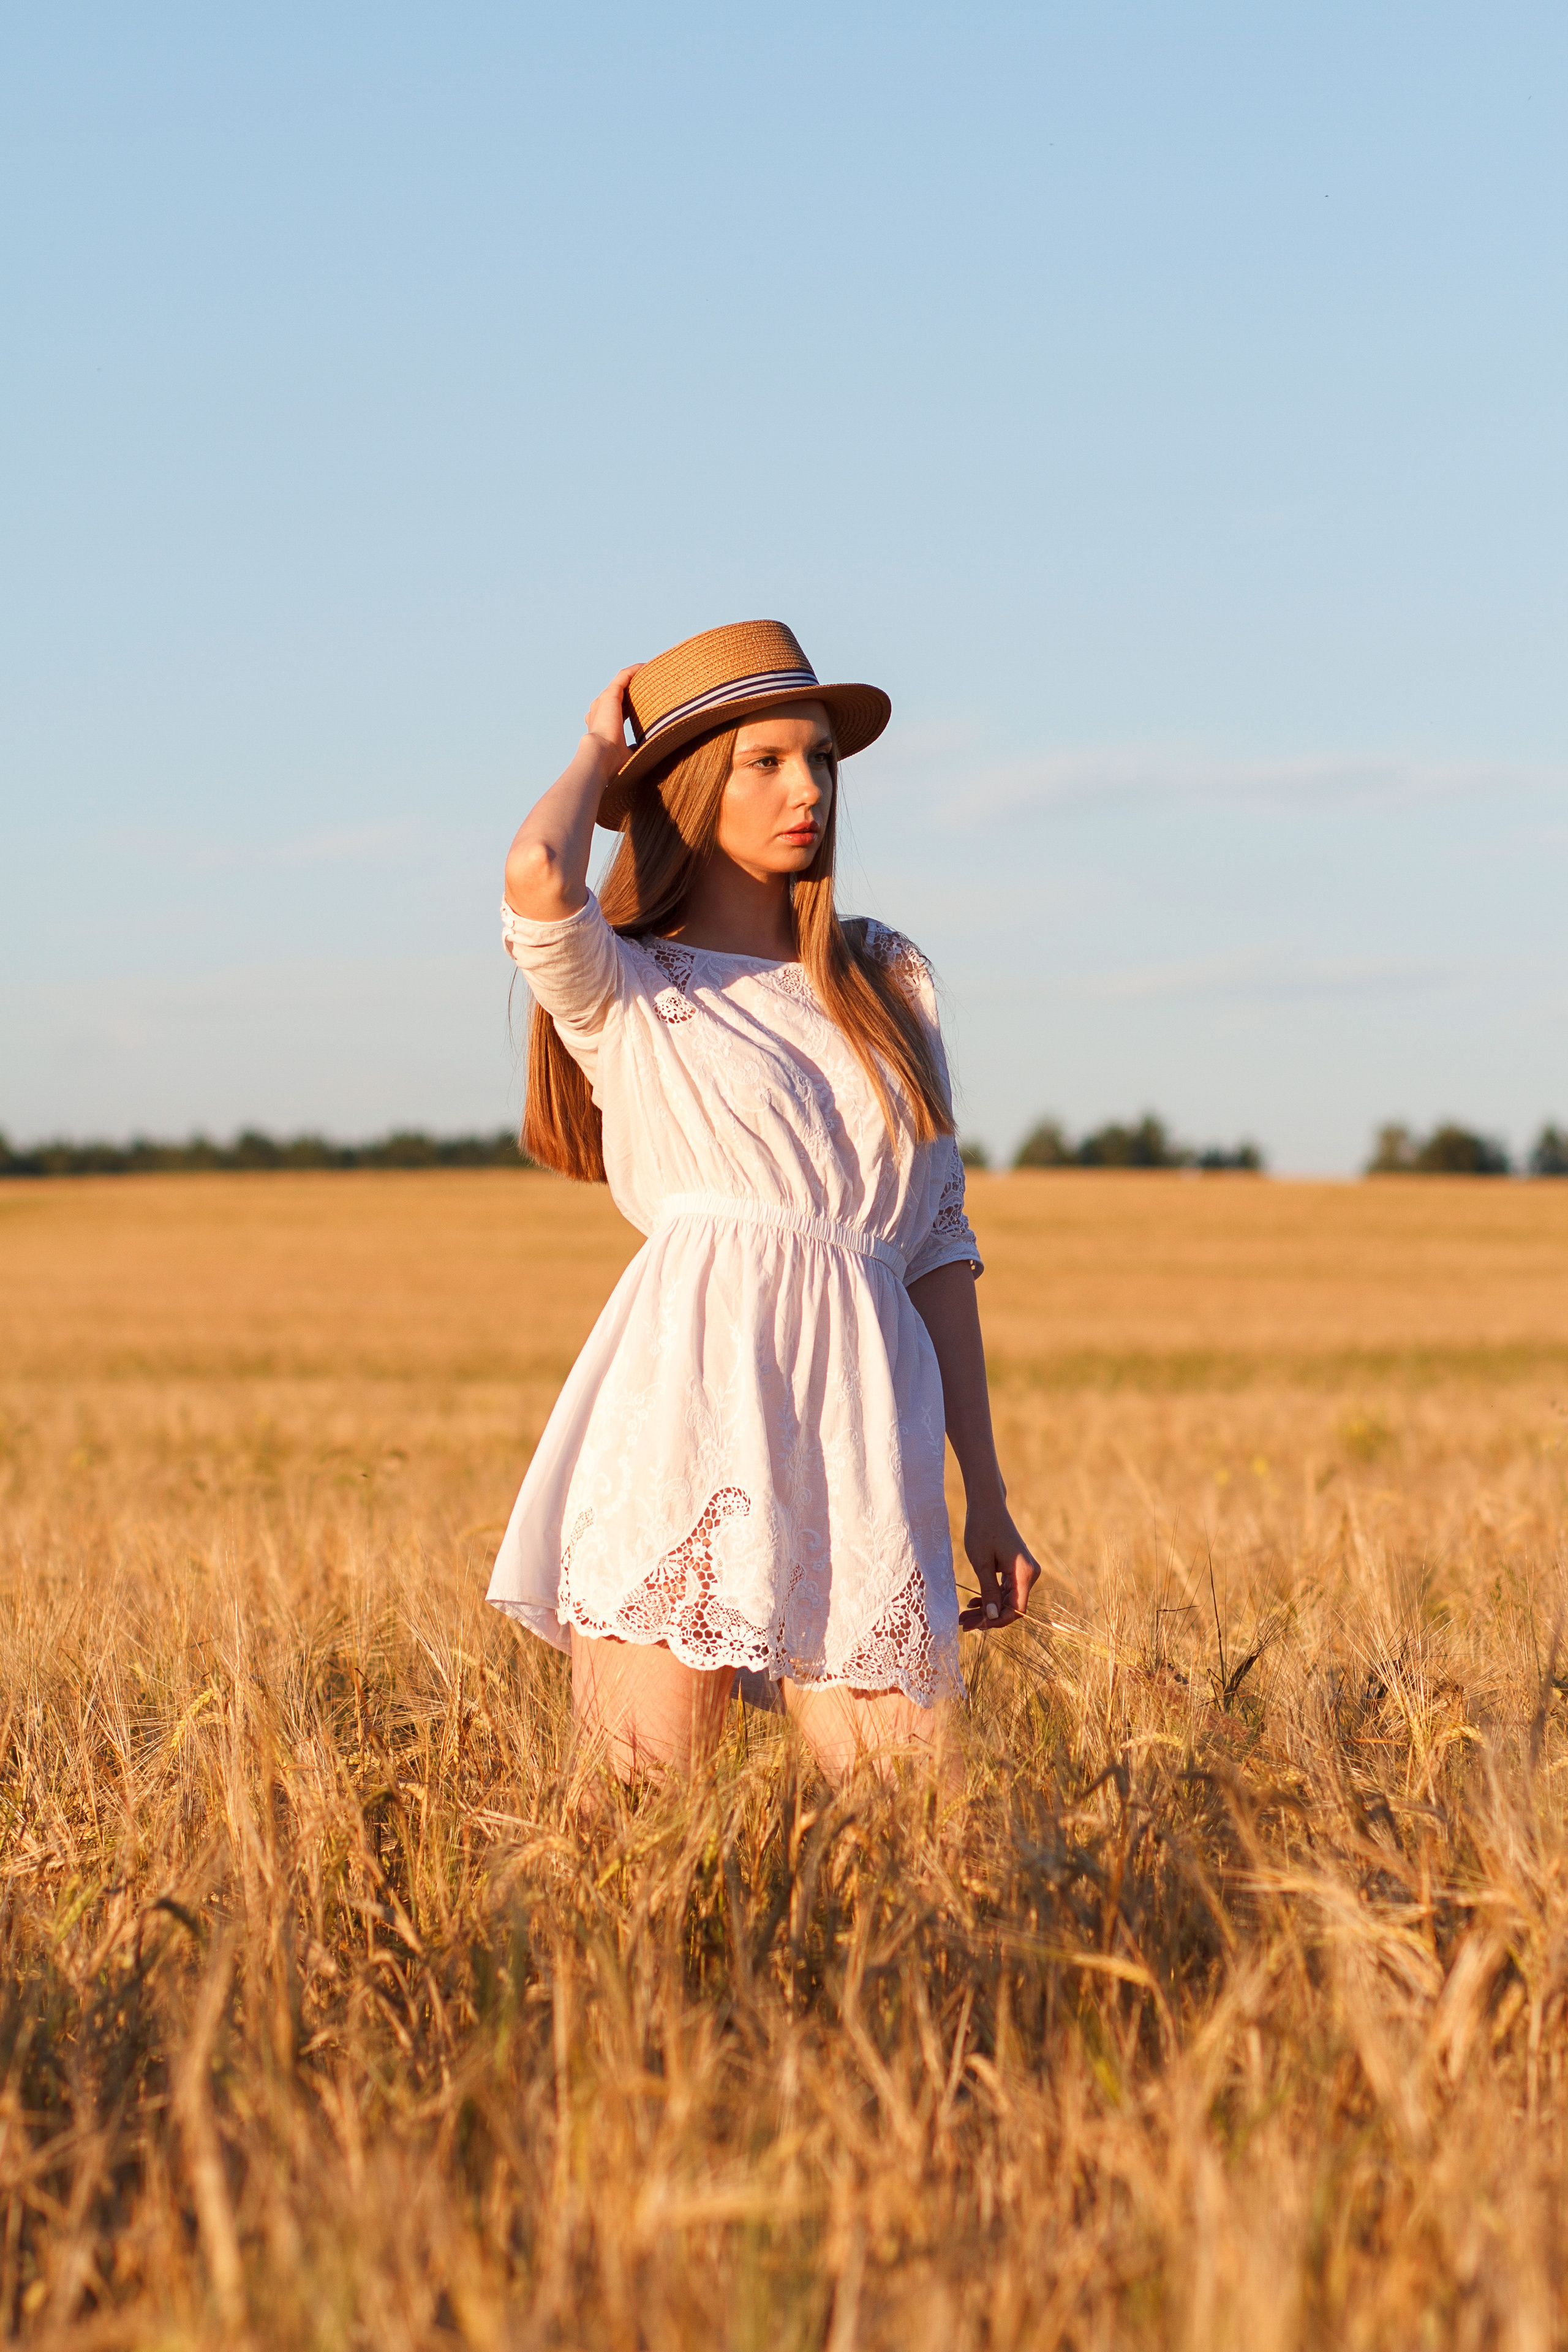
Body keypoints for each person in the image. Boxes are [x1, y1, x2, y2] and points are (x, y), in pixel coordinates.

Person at [487, 619, 1038, 1783]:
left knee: (924, 1842)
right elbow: (539, 874)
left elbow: (937, 1242)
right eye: (766, 761)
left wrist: (985, 1493)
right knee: (631, 1842)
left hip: (870, 1428)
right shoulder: (628, 988)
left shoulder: (888, 978)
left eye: (822, 760)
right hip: (685, 1421)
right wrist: (602, 752)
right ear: (690, 793)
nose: (810, 789)